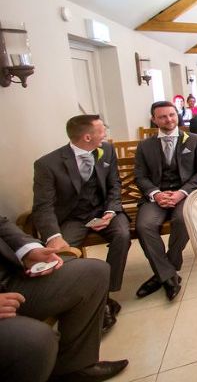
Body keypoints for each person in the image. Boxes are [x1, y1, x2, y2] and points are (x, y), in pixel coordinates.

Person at [32, 114, 130, 333]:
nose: (105, 133)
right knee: (62, 252)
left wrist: (110, 211)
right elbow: (43, 206)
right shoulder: (47, 164)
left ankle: (103, 295)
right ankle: (79, 301)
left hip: (105, 212)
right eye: (101, 130)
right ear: (87, 137)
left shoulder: (107, 150)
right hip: (73, 217)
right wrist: (53, 236)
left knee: (123, 235)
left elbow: (114, 184)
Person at [0, 215, 128, 382]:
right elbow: (44, 206)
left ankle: (75, 366)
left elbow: (1, 223)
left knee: (95, 272)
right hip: (72, 219)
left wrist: (30, 251)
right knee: (38, 341)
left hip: (11, 278)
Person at [134, 101, 197, 301]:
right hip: (156, 196)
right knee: (144, 225)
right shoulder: (145, 146)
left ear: (177, 115)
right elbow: (140, 176)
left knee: (183, 219)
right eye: (162, 117)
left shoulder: (194, 140)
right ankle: (168, 275)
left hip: (184, 194)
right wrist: (156, 194)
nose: (168, 119)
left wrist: (181, 192)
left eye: (172, 115)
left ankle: (164, 270)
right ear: (154, 120)